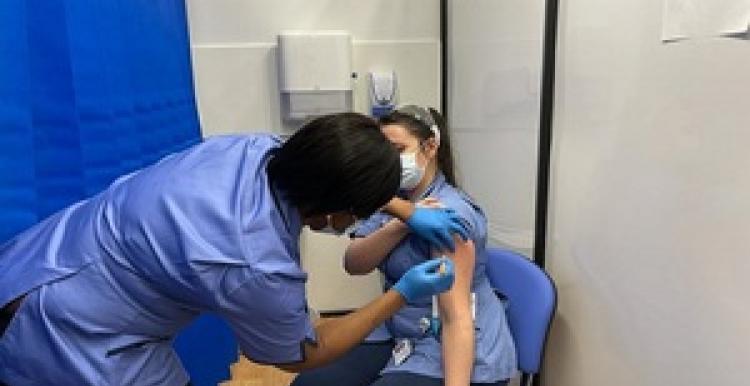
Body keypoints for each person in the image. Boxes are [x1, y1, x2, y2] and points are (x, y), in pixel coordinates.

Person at [0, 113, 469, 385]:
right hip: (75, 332)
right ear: (335, 209)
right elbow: (298, 354)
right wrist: (399, 294)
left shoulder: (252, 150)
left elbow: (458, 323)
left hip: (40, 257)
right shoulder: (256, 264)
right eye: (361, 212)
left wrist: (405, 213)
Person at [291, 106, 517, 386]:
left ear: (430, 146)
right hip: (400, 331)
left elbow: (456, 319)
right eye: (383, 153)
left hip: (447, 342)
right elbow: (355, 263)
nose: (388, 162)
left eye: (398, 150)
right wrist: (403, 223)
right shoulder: (393, 201)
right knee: (311, 384)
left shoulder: (449, 216)